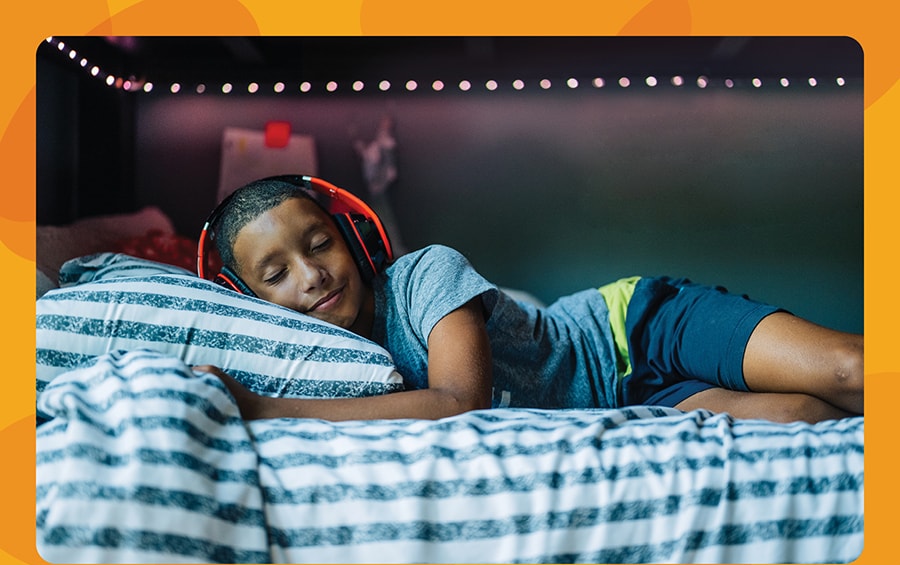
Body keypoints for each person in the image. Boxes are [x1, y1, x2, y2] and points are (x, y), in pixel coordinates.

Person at [193, 177, 863, 424]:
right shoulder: (309, 362)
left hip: (632, 330)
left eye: (319, 245)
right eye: (275, 274)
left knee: (850, 370)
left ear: (357, 238)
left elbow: (461, 403)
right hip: (631, 406)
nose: (310, 277)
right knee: (800, 416)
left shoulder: (427, 274)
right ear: (246, 299)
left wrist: (264, 410)